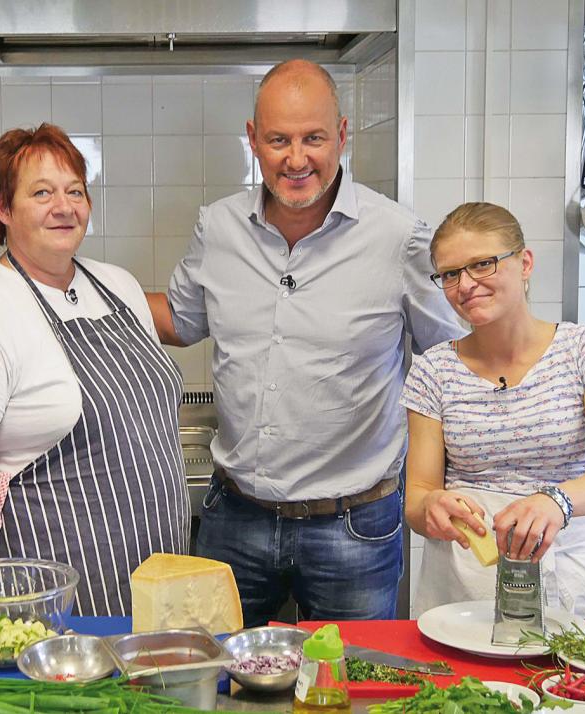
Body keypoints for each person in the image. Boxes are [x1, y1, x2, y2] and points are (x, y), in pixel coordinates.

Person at [145, 59, 463, 627]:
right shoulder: (217, 228)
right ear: (253, 141)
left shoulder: (400, 238)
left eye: (313, 138)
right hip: (235, 521)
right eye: (278, 140)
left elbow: (452, 364)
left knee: (353, 693)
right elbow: (180, 321)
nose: (296, 160)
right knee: (212, 686)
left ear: (341, 135)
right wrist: (74, 284)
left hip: (355, 530)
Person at [0, 123, 190, 618]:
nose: (64, 207)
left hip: (158, 567)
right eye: (41, 193)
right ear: (4, 208)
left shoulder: (118, 285)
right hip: (50, 583)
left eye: (75, 192)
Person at [402, 202, 585, 619]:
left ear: (524, 263)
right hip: (463, 581)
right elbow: (417, 496)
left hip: (566, 571)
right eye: (450, 274)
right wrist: (431, 506)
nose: (465, 285)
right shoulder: (433, 370)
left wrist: (555, 501)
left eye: (483, 264)